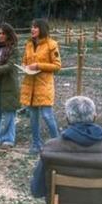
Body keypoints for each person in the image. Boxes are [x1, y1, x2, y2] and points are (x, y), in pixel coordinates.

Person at [20, 18, 62, 155]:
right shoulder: (28, 44)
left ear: (42, 29)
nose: (32, 29)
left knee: (47, 115)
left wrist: (38, 65)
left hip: (44, 85)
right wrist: (24, 67)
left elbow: (57, 66)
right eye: (31, 27)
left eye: (36, 27)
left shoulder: (52, 44)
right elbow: (24, 61)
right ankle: (36, 144)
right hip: (29, 85)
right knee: (33, 117)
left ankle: (58, 144)